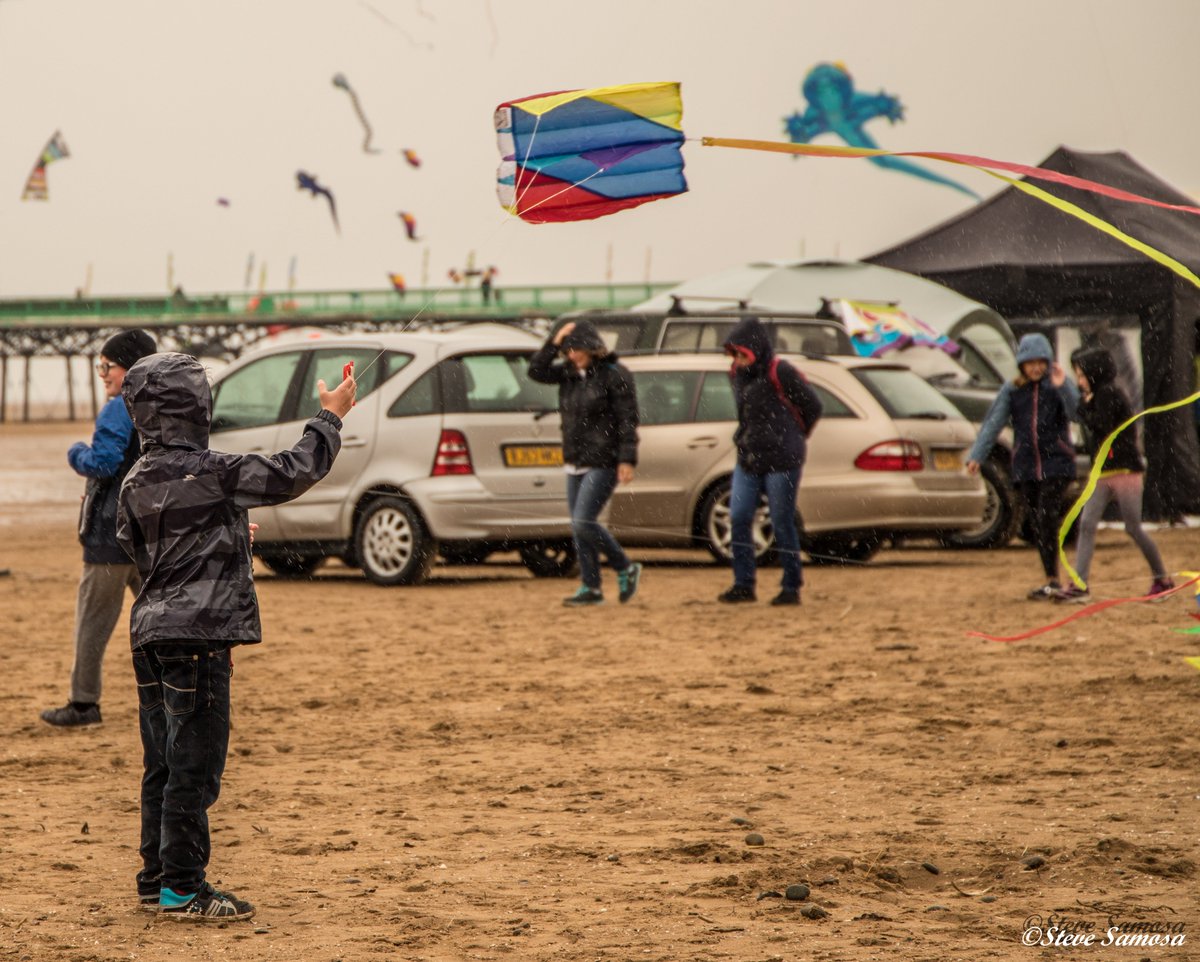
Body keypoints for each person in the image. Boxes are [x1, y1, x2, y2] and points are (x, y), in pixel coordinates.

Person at [116, 352, 355, 921]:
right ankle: (182, 887)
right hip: (196, 637)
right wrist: (330, 417)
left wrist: (221, 530)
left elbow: (142, 546)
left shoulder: (136, 479)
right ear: (195, 407)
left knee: (163, 762)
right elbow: (292, 472)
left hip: (150, 634)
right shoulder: (212, 469)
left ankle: (157, 878)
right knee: (194, 765)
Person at [40, 329, 157, 728]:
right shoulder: (162, 405)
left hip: (110, 536)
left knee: (92, 625)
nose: (102, 374)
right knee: (165, 622)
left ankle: (84, 704)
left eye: (106, 366)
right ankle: (177, 695)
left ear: (127, 367)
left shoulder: (117, 407)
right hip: (153, 534)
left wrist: (76, 452)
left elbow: (105, 462)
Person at [529, 319, 641, 607]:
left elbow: (627, 420)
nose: (571, 355)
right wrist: (554, 340)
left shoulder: (615, 374)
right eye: (567, 350)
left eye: (576, 349)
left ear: (592, 348)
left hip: (604, 460)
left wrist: (627, 459)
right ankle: (591, 587)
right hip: (574, 460)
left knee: (583, 522)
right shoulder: (567, 373)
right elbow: (536, 371)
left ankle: (624, 566)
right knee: (579, 526)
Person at [719, 317, 823, 606]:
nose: (738, 361)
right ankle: (743, 583)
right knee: (738, 516)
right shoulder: (736, 375)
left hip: (783, 458)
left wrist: (793, 435)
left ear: (756, 350)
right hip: (749, 457)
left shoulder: (782, 371)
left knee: (781, 520)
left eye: (742, 354)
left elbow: (813, 406)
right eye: (734, 355)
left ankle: (791, 585)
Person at [967, 333, 1079, 600]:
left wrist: (1064, 386)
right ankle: (1051, 579)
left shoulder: (1057, 386)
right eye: (1030, 363)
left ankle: (1061, 577)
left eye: (1041, 362)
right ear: (1021, 364)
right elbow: (994, 422)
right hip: (1026, 466)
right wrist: (977, 455)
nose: (1036, 368)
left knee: (1046, 517)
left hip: (1057, 464)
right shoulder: (1012, 389)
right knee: (1036, 524)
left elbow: (1077, 413)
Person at [1056, 347, 1173, 603]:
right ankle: (1079, 583)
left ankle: (1163, 579)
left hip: (1125, 472)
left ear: (1094, 373)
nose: (1080, 381)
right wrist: (1072, 392)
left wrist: (1085, 406)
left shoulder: (1109, 393)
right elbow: (1081, 414)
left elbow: (1101, 423)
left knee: (1133, 528)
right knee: (1087, 525)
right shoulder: (1096, 395)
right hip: (1104, 473)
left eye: (1081, 375)